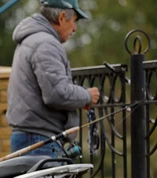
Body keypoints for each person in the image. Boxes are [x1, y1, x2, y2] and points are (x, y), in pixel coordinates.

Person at [6, 0, 100, 157]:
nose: (75, 28)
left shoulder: (33, 39)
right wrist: (87, 96)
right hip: (39, 142)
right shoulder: (45, 44)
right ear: (62, 17)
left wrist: (77, 100)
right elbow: (57, 94)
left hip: (31, 138)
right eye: (74, 20)